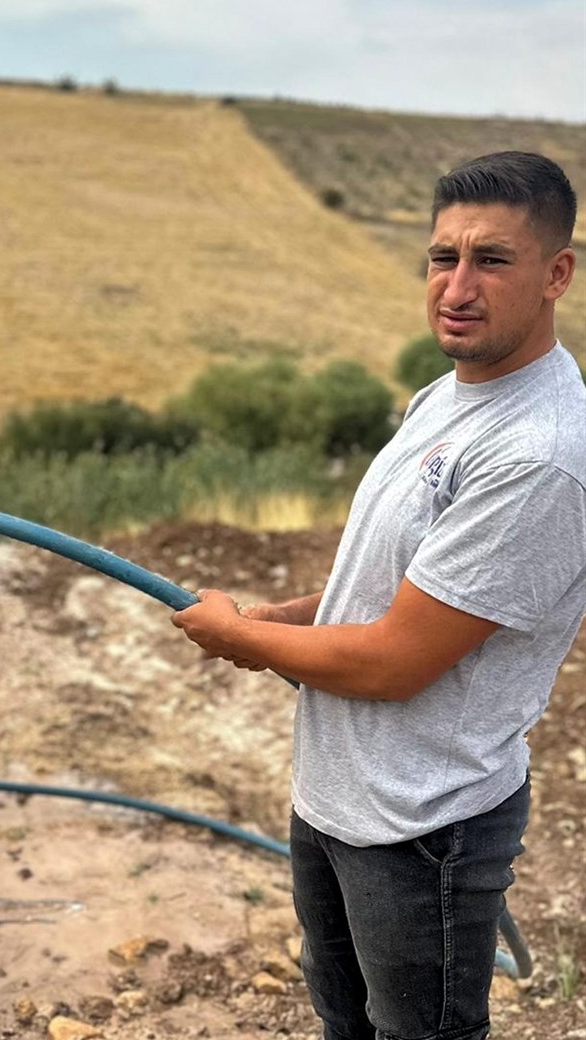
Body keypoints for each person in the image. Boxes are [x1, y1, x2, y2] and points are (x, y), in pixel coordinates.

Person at [172, 150, 585, 1040]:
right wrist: (280, 619)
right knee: (342, 1019)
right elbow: (404, 584)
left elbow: (395, 662)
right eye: (442, 258)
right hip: (339, 795)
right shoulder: (445, 395)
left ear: (556, 274)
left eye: (491, 260)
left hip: (421, 827)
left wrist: (240, 639)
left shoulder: (537, 456)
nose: (456, 288)